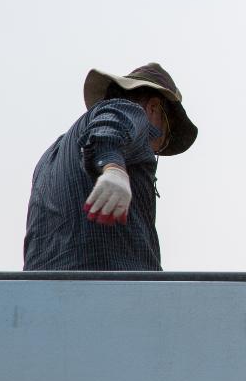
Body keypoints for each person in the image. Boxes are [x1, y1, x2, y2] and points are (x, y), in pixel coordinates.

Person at [23, 63, 198, 271]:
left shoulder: (50, 156)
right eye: (165, 136)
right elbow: (110, 130)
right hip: (114, 291)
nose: (157, 148)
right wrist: (113, 167)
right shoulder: (133, 111)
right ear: (154, 108)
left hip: (41, 292)